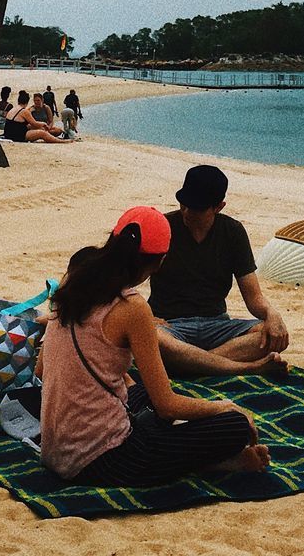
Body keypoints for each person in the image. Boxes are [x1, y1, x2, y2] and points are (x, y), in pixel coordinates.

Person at [39, 206, 269, 484]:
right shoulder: (131, 306)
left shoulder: (76, 277)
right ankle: (209, 463)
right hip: (101, 459)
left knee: (145, 394)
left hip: (54, 451)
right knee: (235, 426)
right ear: (159, 263)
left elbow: (42, 370)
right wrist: (226, 407)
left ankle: (198, 456)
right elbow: (168, 406)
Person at [147, 165, 289, 362]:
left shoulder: (233, 232)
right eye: (183, 204)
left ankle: (194, 362)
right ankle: (220, 363)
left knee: (270, 335)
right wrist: (145, 316)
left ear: (218, 207)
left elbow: (254, 298)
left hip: (216, 324)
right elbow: (124, 281)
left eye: (196, 208)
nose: (187, 212)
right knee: (152, 337)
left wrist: (272, 314)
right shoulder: (164, 227)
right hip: (169, 325)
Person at [2, 90, 71, 144]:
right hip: (18, 135)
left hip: (8, 133)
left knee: (54, 130)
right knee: (42, 133)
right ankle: (61, 141)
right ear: (27, 102)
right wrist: (43, 124)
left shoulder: (14, 109)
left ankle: (54, 136)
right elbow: (34, 123)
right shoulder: (24, 111)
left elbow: (50, 120)